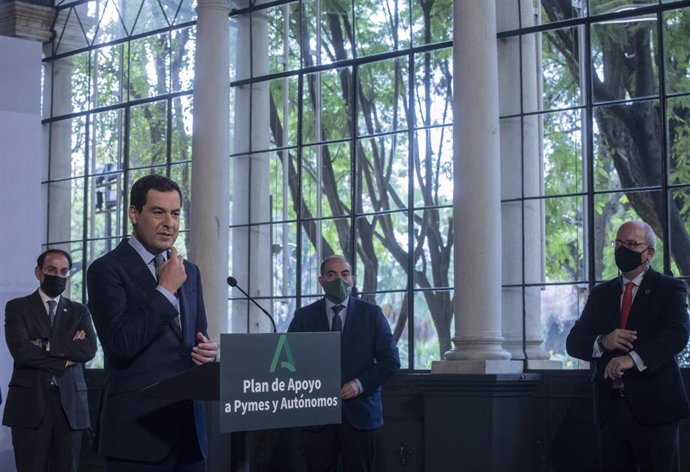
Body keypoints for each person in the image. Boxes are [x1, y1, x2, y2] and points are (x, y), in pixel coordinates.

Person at [86, 174, 218, 472]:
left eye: (175, 213)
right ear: (134, 214)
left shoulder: (189, 271)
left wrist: (208, 352)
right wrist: (165, 290)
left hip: (188, 434)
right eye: (158, 212)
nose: (169, 223)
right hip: (136, 434)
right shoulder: (106, 270)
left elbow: (198, 335)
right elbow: (120, 345)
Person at [566, 220, 690, 471]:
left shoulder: (669, 288)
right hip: (609, 409)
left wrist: (632, 358)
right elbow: (573, 343)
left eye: (632, 244)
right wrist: (602, 341)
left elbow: (678, 334)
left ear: (649, 253)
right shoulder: (601, 294)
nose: (623, 249)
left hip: (656, 409)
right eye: (619, 244)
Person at [288, 254, 400, 472]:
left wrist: (359, 384)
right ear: (321, 281)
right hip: (316, 417)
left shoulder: (372, 314)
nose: (339, 279)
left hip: (361, 415)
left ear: (353, 279)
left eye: (344, 274)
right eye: (331, 274)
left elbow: (391, 362)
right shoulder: (303, 316)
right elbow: (288, 360)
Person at [3, 249, 97, 472]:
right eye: (52, 270)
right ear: (39, 272)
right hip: (30, 405)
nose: (59, 275)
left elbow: (88, 350)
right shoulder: (17, 307)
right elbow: (22, 351)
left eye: (64, 271)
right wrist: (66, 355)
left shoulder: (79, 311)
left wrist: (45, 345)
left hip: (70, 408)